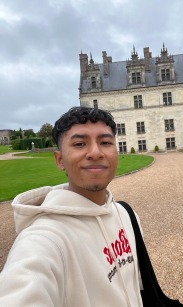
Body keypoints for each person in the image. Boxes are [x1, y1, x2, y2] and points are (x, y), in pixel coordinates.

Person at [0, 107, 143, 306]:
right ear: (60, 160)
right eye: (79, 143)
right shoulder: (45, 239)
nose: (95, 152)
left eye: (105, 142)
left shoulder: (127, 215)